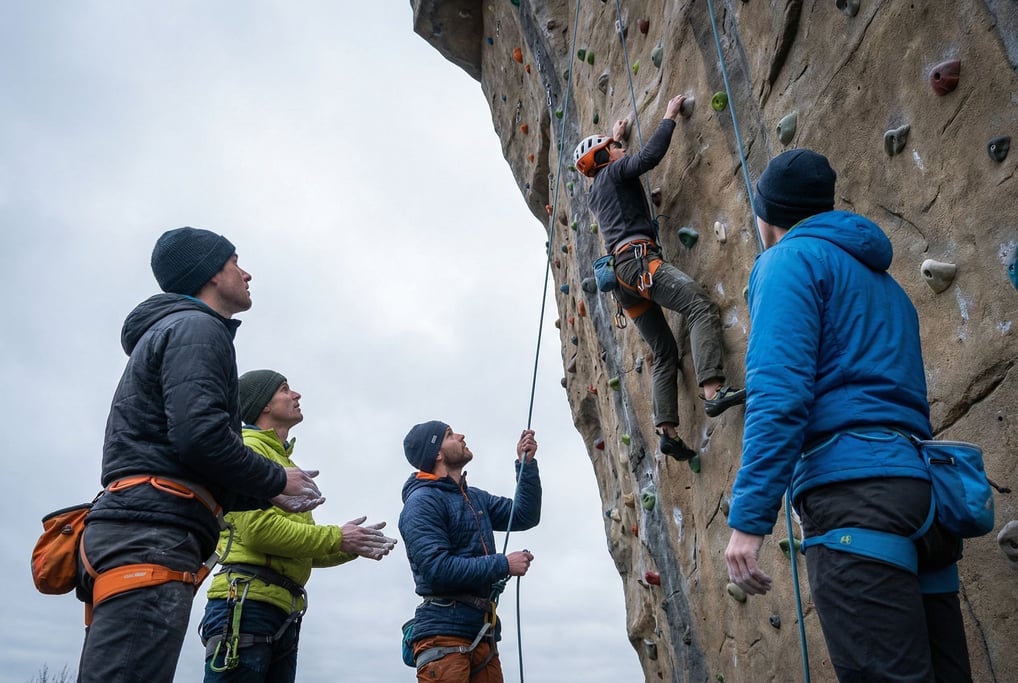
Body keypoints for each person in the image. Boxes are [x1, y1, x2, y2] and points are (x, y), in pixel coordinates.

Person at [725, 149, 972, 681]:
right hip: (919, 493)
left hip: (855, 501)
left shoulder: (786, 263)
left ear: (769, 215)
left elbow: (779, 394)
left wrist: (749, 520)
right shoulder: (889, 288)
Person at [76, 227, 325, 683]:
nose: (246, 272)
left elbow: (188, 458)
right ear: (209, 273)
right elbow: (199, 438)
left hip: (145, 528)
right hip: (152, 532)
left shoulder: (178, 331)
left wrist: (265, 495)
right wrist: (275, 481)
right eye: (234, 261)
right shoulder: (198, 328)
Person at [575, 94, 745, 462]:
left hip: (622, 281)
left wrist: (616, 136)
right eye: (614, 148)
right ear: (605, 158)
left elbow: (625, 181)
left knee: (664, 351)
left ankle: (667, 431)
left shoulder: (598, 193)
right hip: (639, 263)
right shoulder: (614, 172)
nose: (620, 150)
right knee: (699, 305)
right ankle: (714, 391)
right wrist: (668, 116)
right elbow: (648, 158)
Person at [200, 369, 398, 682]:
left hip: (279, 611)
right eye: (284, 389)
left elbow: (300, 550)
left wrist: (350, 544)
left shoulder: (284, 462)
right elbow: (260, 531)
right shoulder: (248, 450)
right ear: (263, 404)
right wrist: (336, 536)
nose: (296, 395)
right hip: (246, 605)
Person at [399, 422, 542, 682]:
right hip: (443, 635)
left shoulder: (474, 498)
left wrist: (526, 466)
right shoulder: (421, 503)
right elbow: (438, 570)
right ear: (437, 454)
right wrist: (503, 564)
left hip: (480, 634)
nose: (461, 435)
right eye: (449, 435)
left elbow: (524, 516)